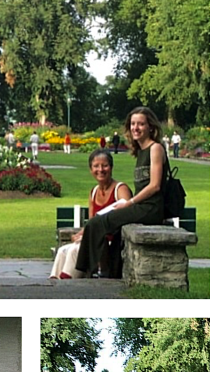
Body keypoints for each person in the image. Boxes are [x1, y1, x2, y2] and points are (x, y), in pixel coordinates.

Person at [72, 107, 166, 278]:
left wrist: (129, 203)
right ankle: (109, 272)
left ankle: (84, 272)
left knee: (96, 223)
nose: (136, 128)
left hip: (151, 209)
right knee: (114, 232)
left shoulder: (155, 149)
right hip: (141, 207)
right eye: (133, 124)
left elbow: (155, 186)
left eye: (141, 124)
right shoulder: (141, 151)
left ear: (150, 127)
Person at [50, 149, 132, 279]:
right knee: (62, 251)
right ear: (90, 169)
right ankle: (54, 283)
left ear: (111, 167)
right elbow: (92, 223)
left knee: (74, 251)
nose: (101, 169)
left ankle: (67, 285)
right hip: (94, 241)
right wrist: (81, 234)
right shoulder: (93, 192)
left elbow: (127, 214)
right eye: (96, 166)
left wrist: (88, 237)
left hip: (110, 244)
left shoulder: (120, 189)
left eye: (105, 165)